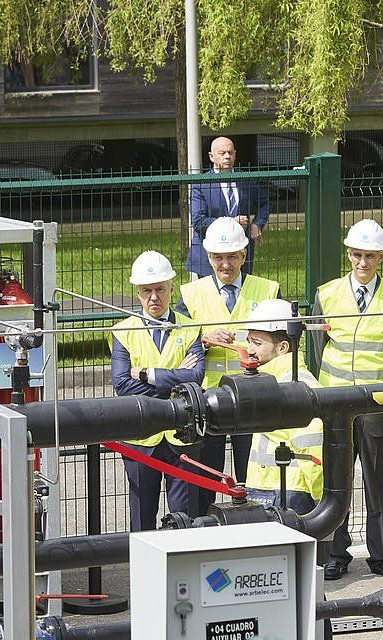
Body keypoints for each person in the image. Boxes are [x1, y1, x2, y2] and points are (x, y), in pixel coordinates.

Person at [311, 219, 383, 582]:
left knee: (377, 482)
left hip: (376, 405)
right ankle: (337, 552)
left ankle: (381, 555)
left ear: (381, 256)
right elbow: (317, 349)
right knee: (336, 482)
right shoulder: (328, 293)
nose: (362, 262)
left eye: (369, 255)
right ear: (348, 254)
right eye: (356, 255)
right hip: (336, 406)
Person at [176, 216, 281, 515]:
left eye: (232, 257)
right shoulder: (190, 295)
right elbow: (176, 346)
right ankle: (206, 531)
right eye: (219, 257)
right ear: (208, 257)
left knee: (256, 474)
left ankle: (256, 529)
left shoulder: (267, 290)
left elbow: (283, 343)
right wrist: (203, 339)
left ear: (244, 255)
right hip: (209, 401)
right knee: (208, 476)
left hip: (255, 398)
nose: (226, 264)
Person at [109, 251, 205, 530]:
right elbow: (122, 386)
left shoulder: (190, 328)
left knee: (184, 518)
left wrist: (146, 374)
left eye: (160, 289)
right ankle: (143, 573)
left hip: (182, 437)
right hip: (140, 439)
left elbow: (196, 378)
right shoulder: (122, 331)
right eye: (147, 290)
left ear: (172, 287)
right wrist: (176, 383)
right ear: (137, 292)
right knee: (142, 518)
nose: (154, 297)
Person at [242, 298, 324, 514]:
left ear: (283, 347)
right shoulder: (274, 383)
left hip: (287, 493)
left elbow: (312, 448)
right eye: (249, 340)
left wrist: (322, 501)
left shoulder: (295, 387)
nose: (249, 349)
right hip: (270, 489)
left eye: (257, 343)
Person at [186, 136, 270, 279]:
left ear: (235, 155)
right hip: (209, 257)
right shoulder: (201, 184)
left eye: (230, 153)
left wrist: (257, 224)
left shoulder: (245, 179)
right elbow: (198, 222)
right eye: (222, 153)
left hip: (239, 254)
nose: (227, 157)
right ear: (211, 157)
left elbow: (265, 203)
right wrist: (231, 222)